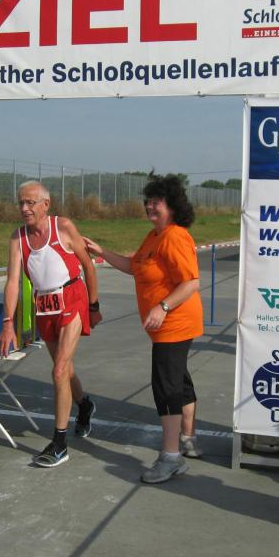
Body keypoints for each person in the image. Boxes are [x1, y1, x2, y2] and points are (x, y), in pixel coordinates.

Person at [84, 173, 203, 484]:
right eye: (148, 201)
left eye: (157, 202)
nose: (150, 206)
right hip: (166, 326)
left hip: (175, 323)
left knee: (166, 387)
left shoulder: (175, 237)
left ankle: (171, 457)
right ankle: (187, 438)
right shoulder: (154, 236)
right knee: (177, 379)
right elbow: (134, 267)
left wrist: (162, 307)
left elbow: (190, 282)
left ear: (172, 205)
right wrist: (100, 251)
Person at [0, 181, 102, 468]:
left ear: (46, 204)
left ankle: (59, 444)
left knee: (58, 371)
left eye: (30, 203)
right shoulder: (18, 238)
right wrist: (7, 322)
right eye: (21, 202)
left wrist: (93, 306)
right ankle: (84, 405)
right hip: (44, 307)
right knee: (64, 369)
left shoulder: (64, 227)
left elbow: (88, 266)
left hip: (72, 299)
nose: (24, 208)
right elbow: (12, 282)